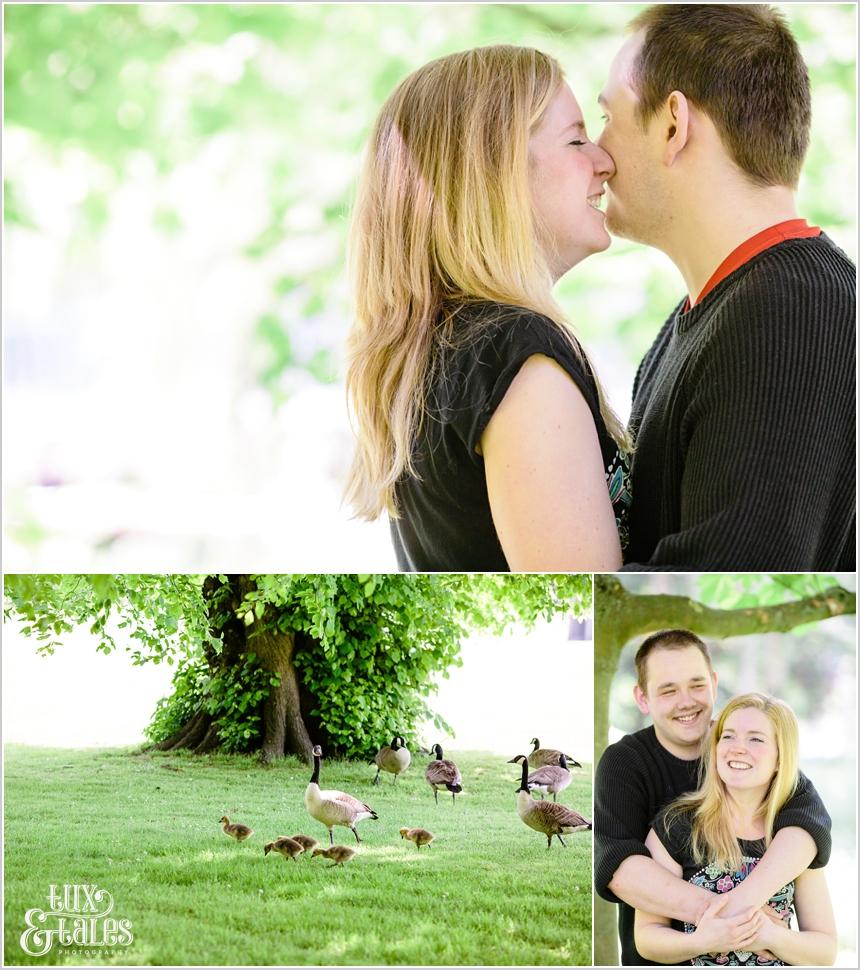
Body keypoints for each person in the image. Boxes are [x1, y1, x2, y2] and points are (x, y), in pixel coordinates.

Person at [344, 46, 632, 571]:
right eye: (575, 139)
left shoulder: (447, 348)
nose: (603, 162)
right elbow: (580, 598)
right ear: (498, 174)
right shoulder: (518, 356)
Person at [596, 4, 855, 570]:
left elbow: (722, 576)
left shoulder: (790, 312)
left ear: (673, 126)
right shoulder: (707, 314)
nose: (597, 152)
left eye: (606, 118)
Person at [594, 630, 832, 966]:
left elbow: (808, 824)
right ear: (642, 698)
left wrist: (766, 931)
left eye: (696, 685)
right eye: (668, 690)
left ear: (714, 683)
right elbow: (619, 867)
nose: (686, 701)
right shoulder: (626, 764)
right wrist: (735, 921)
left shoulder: (745, 749)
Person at [635, 693, 837, 966]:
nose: (737, 748)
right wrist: (703, 941)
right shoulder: (675, 826)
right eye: (728, 736)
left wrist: (768, 935)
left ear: (780, 758)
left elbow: (825, 951)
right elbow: (646, 938)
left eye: (756, 739)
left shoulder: (793, 834)